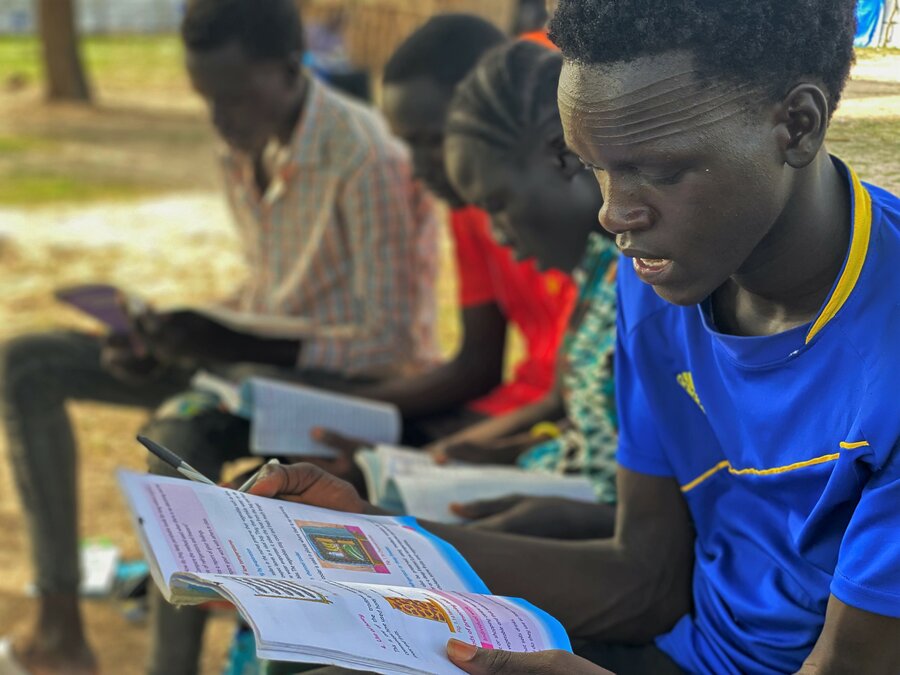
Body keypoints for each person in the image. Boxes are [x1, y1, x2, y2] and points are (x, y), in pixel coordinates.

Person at [247, 0, 900, 673]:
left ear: (796, 125)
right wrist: (368, 533)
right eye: (595, 165)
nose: (614, 213)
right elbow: (643, 576)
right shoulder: (657, 279)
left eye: (665, 170)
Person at [0, 1, 438, 673]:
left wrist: (230, 341)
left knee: (174, 439)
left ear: (292, 69)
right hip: (245, 366)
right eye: (206, 97)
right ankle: (59, 624)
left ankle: (167, 668)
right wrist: (170, 329)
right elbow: (267, 296)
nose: (219, 117)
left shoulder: (363, 156)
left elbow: (390, 343)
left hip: (343, 390)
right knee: (26, 364)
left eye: (233, 96)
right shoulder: (244, 143)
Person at [344, 15, 576, 449]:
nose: (419, 169)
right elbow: (476, 360)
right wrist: (343, 413)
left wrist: (453, 456)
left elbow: (575, 402)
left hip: (552, 429)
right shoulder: (464, 193)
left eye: (431, 141)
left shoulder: (579, 216)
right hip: (508, 412)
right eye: (406, 145)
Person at [435, 40, 618, 537]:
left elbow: (654, 516)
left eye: (498, 204)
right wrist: (500, 452)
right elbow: (586, 425)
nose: (496, 235)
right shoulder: (598, 272)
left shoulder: (653, 286)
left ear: (561, 157)